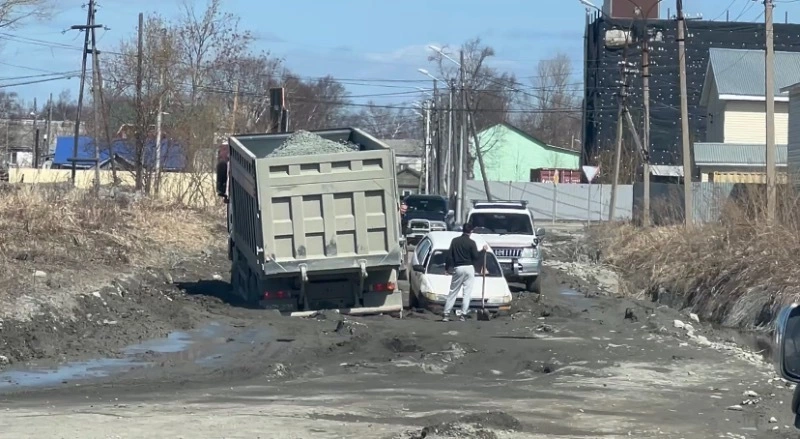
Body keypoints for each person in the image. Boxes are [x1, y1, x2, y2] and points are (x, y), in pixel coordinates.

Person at [443, 223, 488, 322]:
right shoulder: (471, 243)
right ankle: (463, 314)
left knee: (453, 291)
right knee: (467, 293)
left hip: (458, 267)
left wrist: (447, 268)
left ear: (462, 230)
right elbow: (476, 257)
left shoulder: (455, 241)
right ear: (471, 231)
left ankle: (446, 314)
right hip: (469, 268)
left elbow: (449, 256)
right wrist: (483, 251)